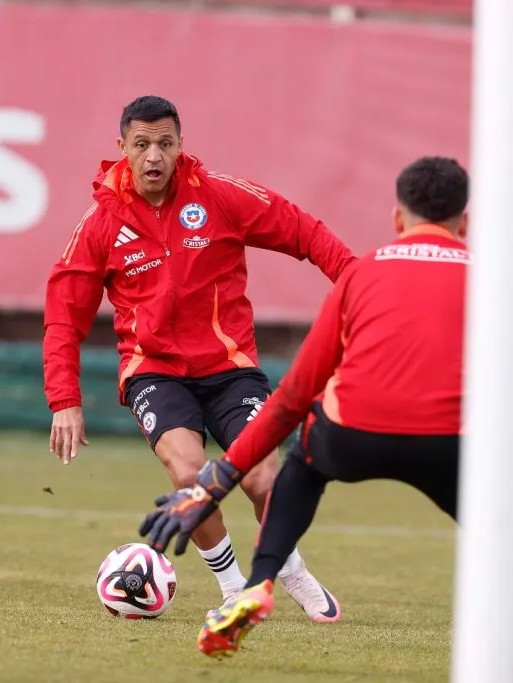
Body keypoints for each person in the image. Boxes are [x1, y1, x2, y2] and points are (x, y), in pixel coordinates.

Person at [139, 156, 513, 681]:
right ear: (465, 223)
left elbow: (295, 394)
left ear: (396, 218)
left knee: (304, 463)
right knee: (500, 535)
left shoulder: (363, 271)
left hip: (352, 434)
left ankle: (260, 583)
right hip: (447, 443)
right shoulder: (496, 283)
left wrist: (216, 482)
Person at [43, 95, 357, 620]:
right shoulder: (101, 223)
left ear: (180, 145)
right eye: (141, 145)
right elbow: (62, 317)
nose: (153, 157)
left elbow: (305, 232)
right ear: (121, 148)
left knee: (264, 481)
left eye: (164, 143)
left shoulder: (219, 196)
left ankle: (292, 570)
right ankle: (234, 588)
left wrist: (360, 288)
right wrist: (64, 399)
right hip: (154, 372)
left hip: (229, 368)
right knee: (189, 472)